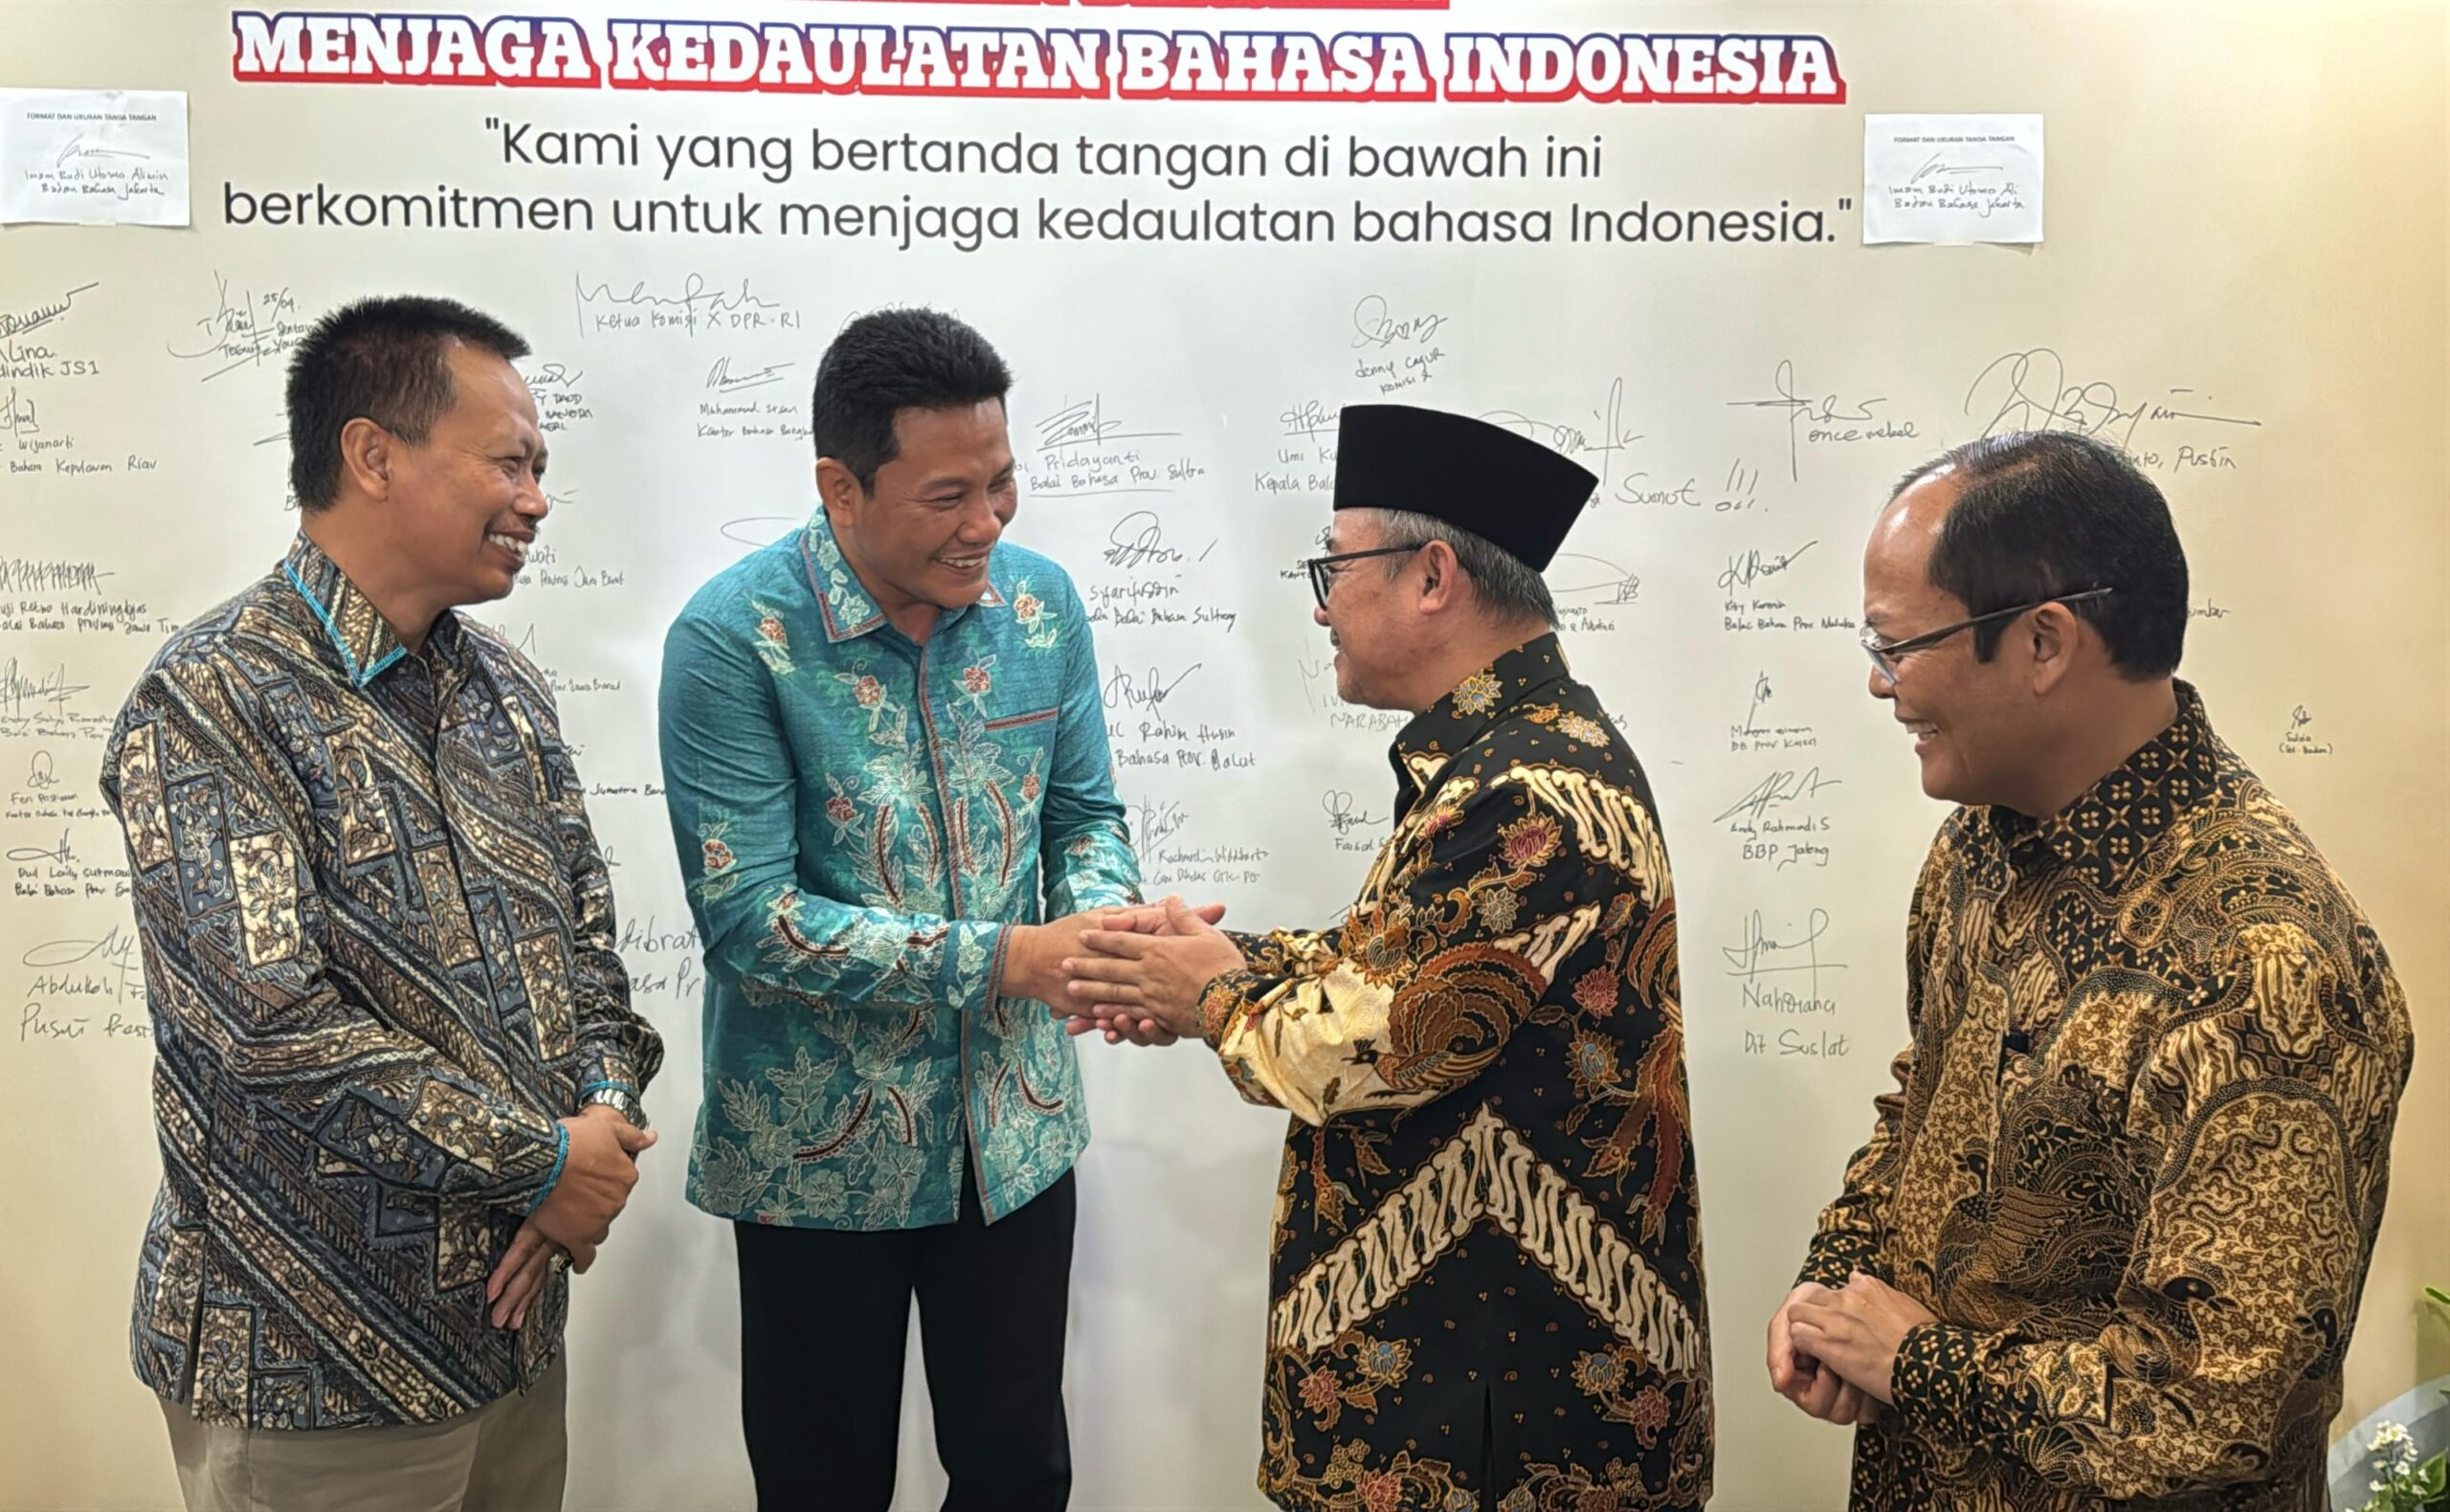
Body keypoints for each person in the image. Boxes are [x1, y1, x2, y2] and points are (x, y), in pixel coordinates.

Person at [1060, 404, 1715, 1509]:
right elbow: (1396, 960)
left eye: (1335, 567)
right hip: (1481, 1371)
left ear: (1432, 575)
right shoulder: (1512, 754)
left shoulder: (1527, 789)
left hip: (1496, 1397)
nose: (1321, 606)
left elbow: (1378, 1040)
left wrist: (1208, 990)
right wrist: (1221, 960)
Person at [1767, 432, 2412, 1508]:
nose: (1880, 684)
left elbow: (2211, 1420)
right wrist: (1838, 1286)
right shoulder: (1979, 846)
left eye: (1898, 645)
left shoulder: (2265, 967)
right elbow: (1923, 1105)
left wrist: (1916, 1363)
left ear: (2042, 642)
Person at [100, 294, 663, 1511]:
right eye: (509, 462)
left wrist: (601, 1129)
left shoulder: (505, 690)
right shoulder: (213, 697)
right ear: (372, 453)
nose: (536, 498)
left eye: (540, 467)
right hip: (308, 1363)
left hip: (511, 1331)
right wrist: (540, 1162)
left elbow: (590, 956)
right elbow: (269, 1028)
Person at [658, 307, 1179, 1511]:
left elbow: (1082, 817)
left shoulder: (1040, 605)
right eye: (947, 496)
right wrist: (1009, 958)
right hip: (813, 1153)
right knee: (822, 1483)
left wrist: (1107, 941)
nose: (986, 522)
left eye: (1000, 483)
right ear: (840, 487)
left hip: (1015, 1134)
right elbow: (750, 919)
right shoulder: (734, 637)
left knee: (1018, 1471)